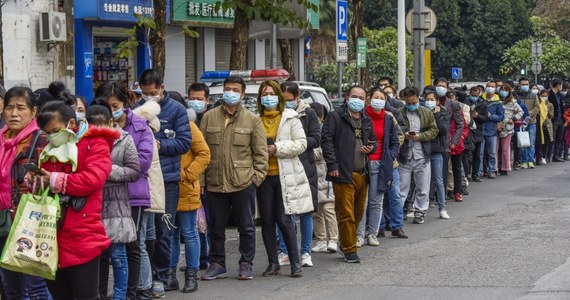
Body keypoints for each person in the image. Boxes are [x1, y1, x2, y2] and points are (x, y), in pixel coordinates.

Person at [35, 100, 113, 300]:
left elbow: (93, 180)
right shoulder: (49, 148)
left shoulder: (95, 143)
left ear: (71, 122)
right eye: (47, 132)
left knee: (87, 295)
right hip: (51, 232)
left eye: (55, 130)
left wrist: (53, 179)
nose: (51, 136)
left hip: (83, 232)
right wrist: (37, 179)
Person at [199, 76, 268, 280]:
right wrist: (202, 181)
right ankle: (217, 263)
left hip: (243, 182)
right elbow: (201, 151)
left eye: (235, 89)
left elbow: (261, 154)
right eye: (227, 88)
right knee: (216, 227)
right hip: (214, 182)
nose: (230, 92)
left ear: (242, 94)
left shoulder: (252, 119)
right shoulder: (209, 117)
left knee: (246, 227)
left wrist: (255, 179)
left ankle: (246, 263)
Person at [95, 82, 155, 299]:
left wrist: (103, 169)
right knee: (102, 249)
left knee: (131, 245)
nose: (112, 110)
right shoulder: (93, 127)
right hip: (101, 196)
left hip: (133, 194)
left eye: (115, 104)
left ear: (125, 102)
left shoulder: (139, 127)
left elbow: (142, 162)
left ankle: (131, 293)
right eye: (106, 105)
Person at [138, 69, 192, 293]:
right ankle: (145, 276)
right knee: (144, 232)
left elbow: (184, 143)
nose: (148, 97)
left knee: (164, 230)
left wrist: (159, 145)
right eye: (144, 93)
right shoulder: (137, 110)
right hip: (143, 179)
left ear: (162, 88)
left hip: (168, 179)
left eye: (152, 93)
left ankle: (163, 275)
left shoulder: (177, 110)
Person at [255, 80, 310, 277]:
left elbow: (301, 144)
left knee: (284, 219)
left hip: (285, 176)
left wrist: (277, 149)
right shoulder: (256, 119)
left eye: (271, 93)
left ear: (278, 96)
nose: (267, 97)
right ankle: (273, 262)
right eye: (264, 93)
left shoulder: (290, 117)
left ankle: (295, 262)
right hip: (263, 177)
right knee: (267, 220)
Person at [0, 87, 49, 299]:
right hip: (3, 222)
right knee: (10, 287)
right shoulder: (1, 140)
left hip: (30, 223)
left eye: (21, 108)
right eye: (9, 107)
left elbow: (50, 180)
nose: (14, 113)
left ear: (33, 111)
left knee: (34, 286)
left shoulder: (41, 140)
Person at [89, 100, 140, 300]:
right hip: (93, 204)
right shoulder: (84, 140)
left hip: (117, 205)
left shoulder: (124, 139)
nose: (98, 129)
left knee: (118, 255)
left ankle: (120, 296)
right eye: (93, 125)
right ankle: (99, 295)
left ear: (111, 122)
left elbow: (134, 171)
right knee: (97, 258)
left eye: (102, 124)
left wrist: (106, 169)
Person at [321, 85, 377, 263]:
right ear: (347, 98)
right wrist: (332, 164)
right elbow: (326, 141)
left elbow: (373, 140)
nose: (357, 100)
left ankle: (345, 241)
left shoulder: (366, 119)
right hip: (343, 172)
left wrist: (371, 147)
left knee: (358, 213)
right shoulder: (336, 117)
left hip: (363, 173)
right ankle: (349, 249)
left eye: (361, 97)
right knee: (346, 213)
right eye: (354, 96)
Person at [275, 81, 320, 268]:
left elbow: (316, 139)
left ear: (297, 97)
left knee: (306, 213)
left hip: (304, 167)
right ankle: (285, 251)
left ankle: (306, 252)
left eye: (290, 100)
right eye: (283, 100)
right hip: (282, 169)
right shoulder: (275, 114)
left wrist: (294, 143)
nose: (287, 104)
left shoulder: (308, 113)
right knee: (284, 213)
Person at [171, 106, 210, 292]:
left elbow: (204, 154)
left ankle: (191, 276)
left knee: (189, 233)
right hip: (166, 189)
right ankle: (170, 276)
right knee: (170, 235)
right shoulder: (158, 127)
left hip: (186, 187)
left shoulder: (190, 127)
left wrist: (187, 174)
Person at [356, 88, 400, 246]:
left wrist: (390, 156)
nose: (379, 100)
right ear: (369, 99)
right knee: (362, 201)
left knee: (377, 201)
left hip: (382, 164)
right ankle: (359, 235)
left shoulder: (388, 118)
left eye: (382, 98)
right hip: (362, 163)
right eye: (376, 97)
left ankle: (372, 234)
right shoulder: (361, 116)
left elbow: (395, 141)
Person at [132, 99, 166, 299]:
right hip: (147, 193)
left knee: (140, 242)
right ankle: (145, 284)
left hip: (142, 193)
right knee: (143, 240)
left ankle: (144, 286)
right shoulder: (148, 131)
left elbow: (142, 164)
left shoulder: (142, 132)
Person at [398, 86, 439, 225]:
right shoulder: (399, 113)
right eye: (408, 103)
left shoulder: (427, 113)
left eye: (413, 102)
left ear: (418, 99)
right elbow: (395, 131)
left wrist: (421, 136)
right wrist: (404, 136)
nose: (411, 105)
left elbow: (434, 130)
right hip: (404, 155)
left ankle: (420, 212)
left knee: (423, 187)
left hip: (422, 154)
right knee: (402, 188)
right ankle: (399, 213)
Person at [186, 82, 211, 271]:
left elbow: (206, 154)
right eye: (192, 99)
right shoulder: (184, 120)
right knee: (196, 222)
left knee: (207, 221)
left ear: (207, 101)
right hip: (192, 180)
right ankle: (200, 258)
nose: (195, 102)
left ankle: (208, 257)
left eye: (199, 99)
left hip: (208, 180)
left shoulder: (210, 120)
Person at [309, 102, 339, 253]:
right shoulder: (305, 130)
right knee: (316, 212)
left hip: (325, 176)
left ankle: (333, 239)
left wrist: (307, 152)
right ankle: (320, 240)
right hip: (312, 176)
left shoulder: (325, 132)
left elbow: (326, 152)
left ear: (321, 118)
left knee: (328, 209)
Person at [424, 92, 451, 218]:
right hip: (422, 150)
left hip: (436, 151)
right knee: (421, 181)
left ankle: (442, 208)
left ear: (437, 101)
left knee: (439, 180)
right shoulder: (421, 112)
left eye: (432, 99)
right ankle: (419, 208)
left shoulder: (443, 113)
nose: (429, 102)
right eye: (427, 99)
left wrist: (437, 114)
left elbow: (443, 130)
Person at [497, 85, 523, 176]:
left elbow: (521, 112)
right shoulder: (496, 100)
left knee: (505, 149)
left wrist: (514, 118)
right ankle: (495, 167)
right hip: (496, 126)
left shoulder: (513, 102)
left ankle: (505, 167)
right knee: (495, 149)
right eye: (502, 90)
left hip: (507, 128)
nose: (503, 92)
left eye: (505, 90)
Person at [481, 81, 505, 179]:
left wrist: (491, 116)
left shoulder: (498, 102)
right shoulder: (481, 99)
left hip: (492, 131)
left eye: (492, 86)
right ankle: (480, 172)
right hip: (481, 129)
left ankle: (492, 170)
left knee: (492, 153)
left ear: (495, 89)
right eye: (488, 86)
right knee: (480, 153)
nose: (490, 88)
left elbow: (501, 117)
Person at [469, 86, 489, 182]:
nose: (474, 96)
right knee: (468, 155)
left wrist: (477, 116)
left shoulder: (483, 103)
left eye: (476, 94)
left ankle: (475, 174)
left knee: (477, 155)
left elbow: (485, 118)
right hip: (468, 132)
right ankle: (467, 173)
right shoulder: (466, 102)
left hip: (478, 132)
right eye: (472, 94)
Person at [547, 79, 565, 162]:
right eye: (561, 85)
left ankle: (556, 156)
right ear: (557, 85)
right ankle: (548, 155)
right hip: (553, 119)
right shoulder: (549, 94)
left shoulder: (559, 94)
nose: (561, 87)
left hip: (560, 118)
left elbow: (562, 106)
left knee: (559, 138)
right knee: (552, 138)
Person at [538, 89, 554, 165]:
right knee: (539, 142)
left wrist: (546, 109)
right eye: (543, 96)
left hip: (547, 125)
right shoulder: (538, 103)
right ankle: (539, 156)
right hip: (539, 125)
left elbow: (552, 115)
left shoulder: (550, 104)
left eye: (545, 96)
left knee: (546, 142)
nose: (544, 97)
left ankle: (544, 156)